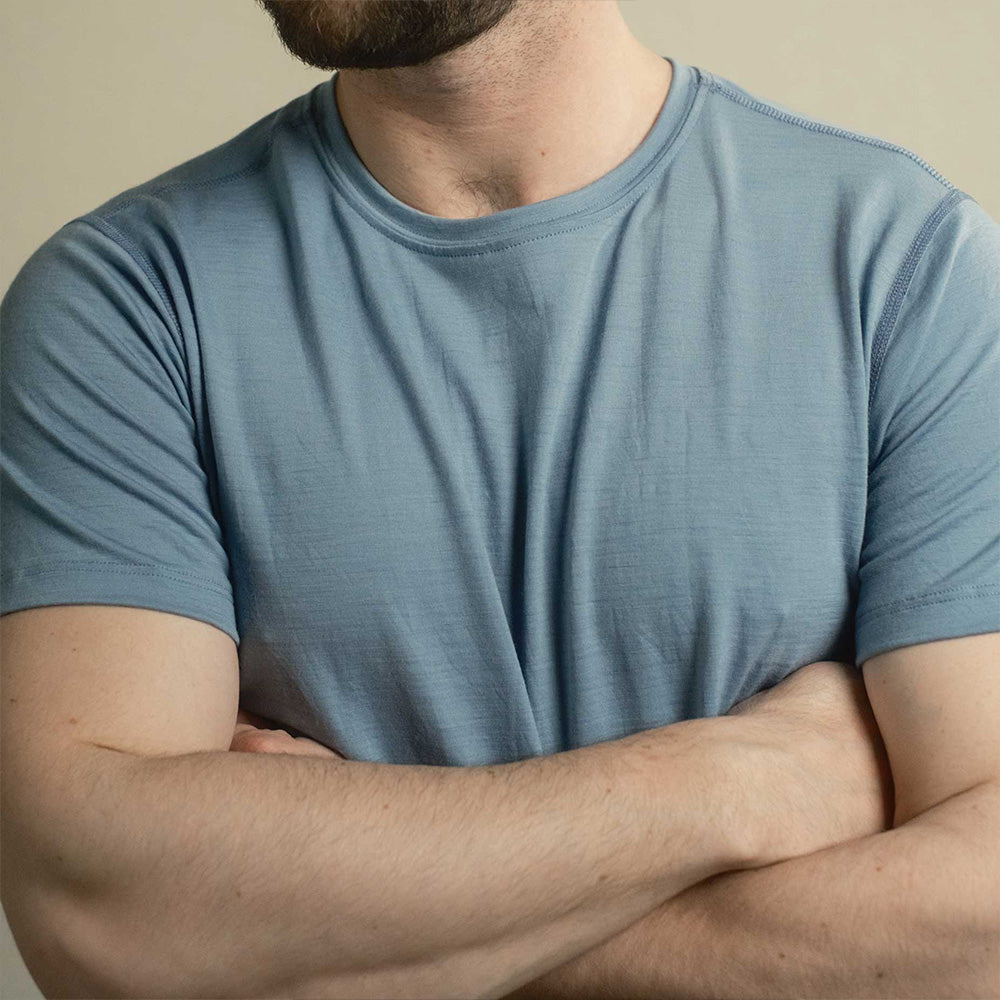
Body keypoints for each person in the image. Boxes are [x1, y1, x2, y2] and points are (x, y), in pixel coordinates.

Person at [2, 2, 997, 997]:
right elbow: (102, 923)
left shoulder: (904, 271)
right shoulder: (123, 309)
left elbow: (977, 935)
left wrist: (333, 949)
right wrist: (740, 780)